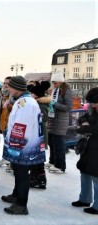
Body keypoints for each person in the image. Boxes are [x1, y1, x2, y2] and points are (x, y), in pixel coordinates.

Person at [1, 76, 45, 215]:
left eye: (10, 87)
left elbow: (21, 127)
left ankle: (21, 204)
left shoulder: (24, 103)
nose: (8, 89)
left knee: (21, 174)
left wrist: (15, 147)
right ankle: (16, 195)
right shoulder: (26, 101)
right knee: (18, 171)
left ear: (17, 88)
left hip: (23, 146)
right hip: (24, 144)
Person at [72, 87, 98, 215]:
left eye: (95, 103)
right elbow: (83, 117)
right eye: (92, 103)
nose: (93, 105)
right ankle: (85, 199)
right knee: (85, 171)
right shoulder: (93, 110)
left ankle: (97, 206)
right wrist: (85, 122)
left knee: (96, 175)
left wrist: (88, 128)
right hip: (89, 146)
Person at [46, 70, 73, 173]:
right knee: (51, 143)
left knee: (58, 144)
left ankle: (60, 166)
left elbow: (68, 107)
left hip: (60, 121)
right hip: (52, 119)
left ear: (61, 82)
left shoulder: (67, 91)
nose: (54, 85)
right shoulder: (55, 90)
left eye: (56, 83)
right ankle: (52, 161)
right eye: (53, 83)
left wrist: (53, 104)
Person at [29, 81, 51, 189]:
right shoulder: (35, 104)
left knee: (38, 159)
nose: (30, 95)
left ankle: (41, 180)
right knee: (34, 158)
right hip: (36, 135)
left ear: (36, 95)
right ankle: (34, 177)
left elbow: (43, 119)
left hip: (40, 135)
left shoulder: (41, 106)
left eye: (32, 93)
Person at [0, 76, 13, 168]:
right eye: (4, 83)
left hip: (10, 120)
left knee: (10, 141)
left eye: (8, 84)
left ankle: (10, 160)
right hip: (3, 119)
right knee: (6, 140)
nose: (5, 85)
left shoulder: (13, 95)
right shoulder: (1, 93)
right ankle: (6, 158)